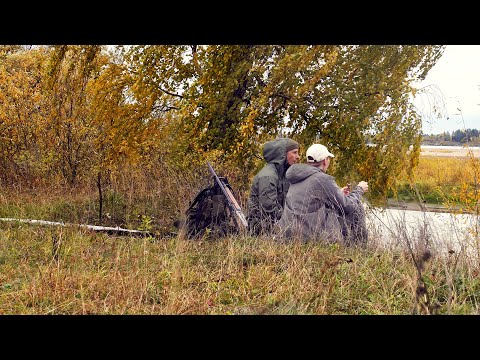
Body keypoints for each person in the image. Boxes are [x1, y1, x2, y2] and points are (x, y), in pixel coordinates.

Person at [276, 143, 369, 246]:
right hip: (305, 237)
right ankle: (359, 247)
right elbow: (348, 206)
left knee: (334, 206)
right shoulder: (323, 179)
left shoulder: (297, 175)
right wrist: (359, 190)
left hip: (286, 233)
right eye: (328, 159)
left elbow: (310, 200)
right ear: (325, 161)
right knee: (357, 207)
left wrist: (338, 193)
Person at [247, 137, 300, 235]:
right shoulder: (268, 176)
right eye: (294, 152)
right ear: (283, 154)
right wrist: (291, 221)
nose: (298, 157)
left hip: (275, 225)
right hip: (261, 230)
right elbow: (269, 210)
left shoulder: (283, 174)